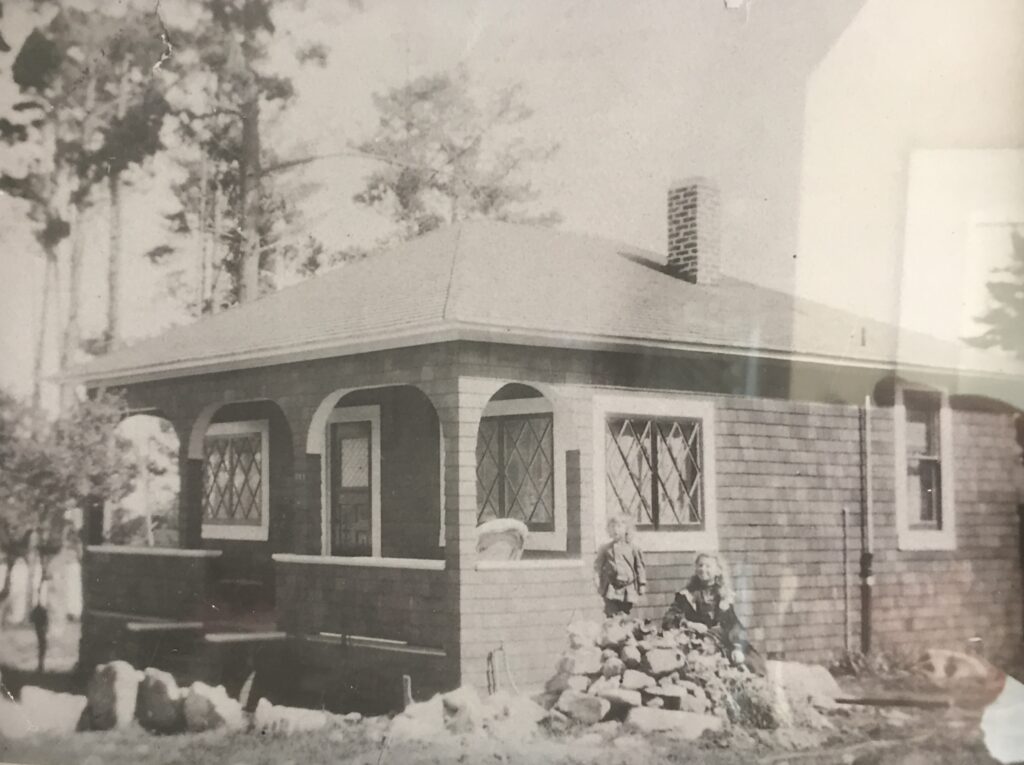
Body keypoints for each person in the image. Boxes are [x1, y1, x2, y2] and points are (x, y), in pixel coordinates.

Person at [662, 552, 765, 675]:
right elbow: (668, 618)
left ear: (718, 571)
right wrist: (690, 624)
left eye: (708, 566)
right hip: (696, 640)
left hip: (721, 641)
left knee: (751, 662)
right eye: (700, 565)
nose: (703, 569)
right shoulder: (687, 594)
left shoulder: (725, 595)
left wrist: (737, 647)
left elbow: (734, 625)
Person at [595, 513, 647, 617]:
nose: (615, 530)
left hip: (627, 588)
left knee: (624, 614)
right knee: (611, 612)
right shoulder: (605, 548)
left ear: (627, 529)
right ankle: (613, 629)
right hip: (611, 587)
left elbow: (639, 567)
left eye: (619, 526)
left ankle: (622, 629)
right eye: (612, 526)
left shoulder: (633, 548)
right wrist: (596, 579)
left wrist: (642, 584)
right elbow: (598, 566)